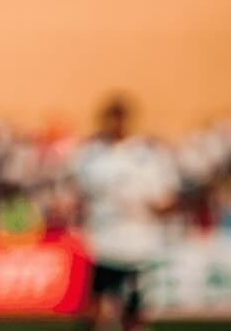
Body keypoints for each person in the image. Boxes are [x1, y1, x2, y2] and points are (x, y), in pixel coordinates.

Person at [73, 96, 179, 331]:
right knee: (94, 309)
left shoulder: (146, 155)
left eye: (118, 118)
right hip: (103, 244)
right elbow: (77, 194)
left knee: (133, 312)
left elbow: (166, 199)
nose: (114, 124)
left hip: (137, 245)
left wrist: (145, 206)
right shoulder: (90, 155)